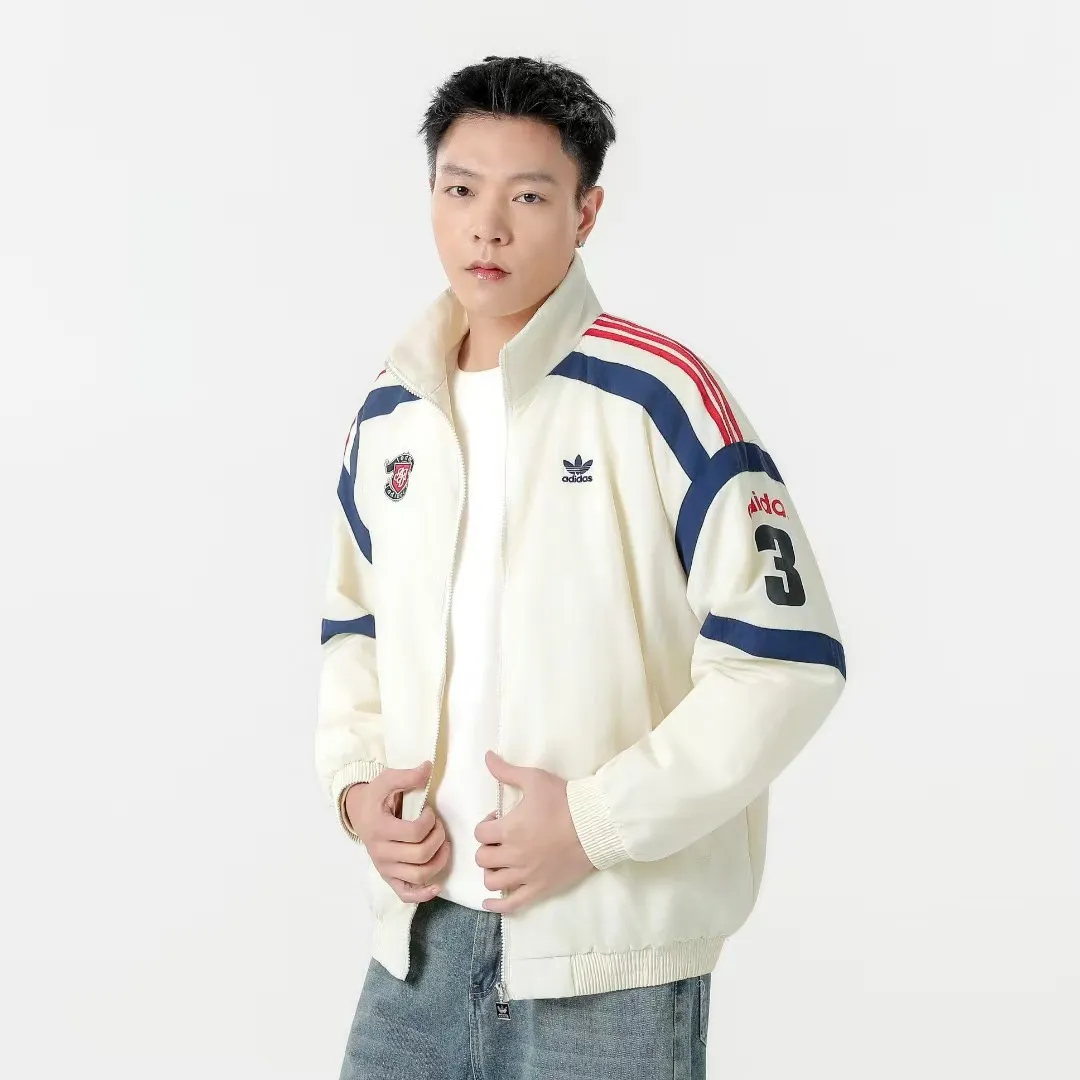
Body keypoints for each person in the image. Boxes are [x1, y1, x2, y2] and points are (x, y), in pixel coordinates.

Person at [314, 54, 847, 1080]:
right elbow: (353, 630)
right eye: (460, 190)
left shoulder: (658, 395)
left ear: (585, 212)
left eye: (527, 196)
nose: (487, 227)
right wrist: (355, 792)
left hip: (611, 957)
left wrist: (597, 822)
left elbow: (787, 659)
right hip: (416, 945)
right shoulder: (391, 413)